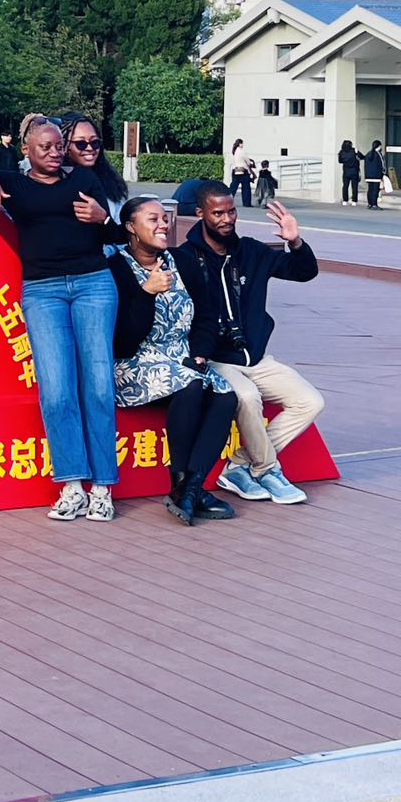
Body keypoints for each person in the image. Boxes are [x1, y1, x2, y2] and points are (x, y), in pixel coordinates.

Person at [0, 119, 120, 522]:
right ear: (27, 151)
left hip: (93, 285)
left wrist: (102, 217)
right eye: (44, 147)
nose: (53, 153)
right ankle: (71, 485)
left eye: (57, 146)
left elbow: (115, 236)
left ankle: (102, 487)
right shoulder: (15, 185)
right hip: (42, 291)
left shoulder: (83, 179)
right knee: (57, 389)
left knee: (99, 385)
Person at [175, 182, 323, 505]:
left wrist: (294, 241)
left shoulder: (253, 252)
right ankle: (268, 469)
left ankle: (241, 465)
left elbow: (304, 271)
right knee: (246, 395)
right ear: (200, 214)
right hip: (216, 360)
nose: (227, 219)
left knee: (311, 401)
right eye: (218, 213)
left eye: (231, 211)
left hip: (256, 358)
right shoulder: (185, 259)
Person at [108, 198, 237, 526]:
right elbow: (123, 339)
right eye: (153, 219)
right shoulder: (117, 268)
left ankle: (189, 489)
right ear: (131, 228)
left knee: (226, 395)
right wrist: (147, 293)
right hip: (134, 363)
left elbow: (208, 316)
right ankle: (182, 486)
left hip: (183, 359)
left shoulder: (182, 261)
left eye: (164, 219)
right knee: (192, 385)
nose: (163, 225)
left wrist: (199, 353)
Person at [58, 111, 127, 222]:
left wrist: (103, 218)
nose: (90, 148)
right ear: (63, 145)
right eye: (81, 144)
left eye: (95, 142)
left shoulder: (111, 181)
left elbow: (120, 226)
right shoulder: (52, 181)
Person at [229, 138, 255, 208]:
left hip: (235, 170)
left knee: (233, 187)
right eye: (242, 143)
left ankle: (227, 200)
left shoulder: (234, 151)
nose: (243, 145)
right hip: (243, 171)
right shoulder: (242, 151)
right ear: (240, 144)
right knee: (246, 188)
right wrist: (251, 164)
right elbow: (248, 161)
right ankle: (246, 203)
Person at [363, 139, 387, 209]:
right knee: (375, 190)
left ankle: (370, 204)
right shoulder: (379, 155)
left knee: (370, 190)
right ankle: (374, 204)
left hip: (368, 176)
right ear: (379, 146)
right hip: (376, 176)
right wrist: (383, 173)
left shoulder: (368, 154)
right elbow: (382, 165)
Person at [338, 140, 361, 204]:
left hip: (346, 171)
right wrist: (356, 153)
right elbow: (361, 157)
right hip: (354, 171)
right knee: (354, 186)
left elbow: (340, 161)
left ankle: (345, 200)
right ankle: (354, 201)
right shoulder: (354, 151)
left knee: (345, 186)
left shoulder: (341, 152)